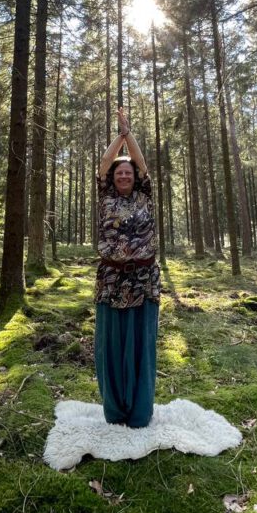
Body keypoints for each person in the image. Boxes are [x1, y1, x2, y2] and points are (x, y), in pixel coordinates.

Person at [94, 107, 161, 428]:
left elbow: (143, 163)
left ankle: (139, 411)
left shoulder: (145, 195)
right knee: (112, 343)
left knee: (141, 343)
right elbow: (104, 164)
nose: (123, 175)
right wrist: (118, 137)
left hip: (144, 281)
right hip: (110, 281)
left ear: (135, 178)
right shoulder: (105, 195)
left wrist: (129, 135)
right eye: (120, 173)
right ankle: (115, 410)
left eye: (128, 173)